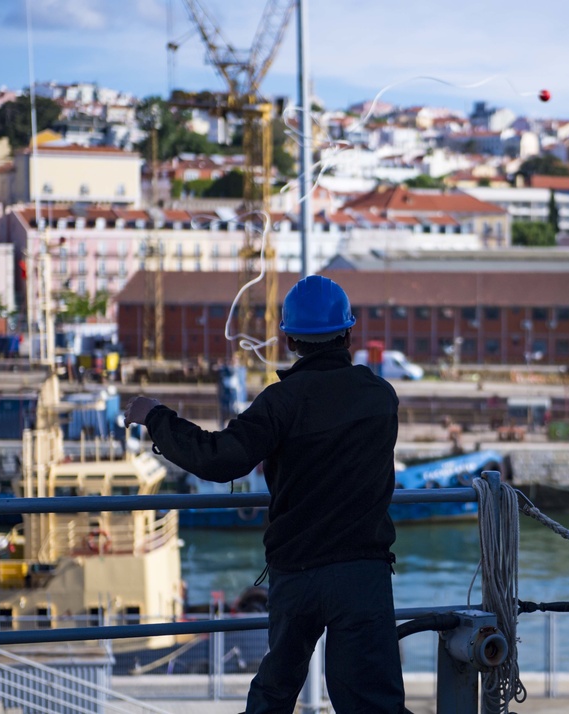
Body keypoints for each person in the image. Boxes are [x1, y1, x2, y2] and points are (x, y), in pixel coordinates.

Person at [124, 275, 407, 714]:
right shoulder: (381, 398)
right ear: (349, 333)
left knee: (274, 694)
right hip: (362, 573)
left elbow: (220, 459)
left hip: (297, 573)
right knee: (372, 703)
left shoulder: (280, 403)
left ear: (290, 339)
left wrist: (156, 417)